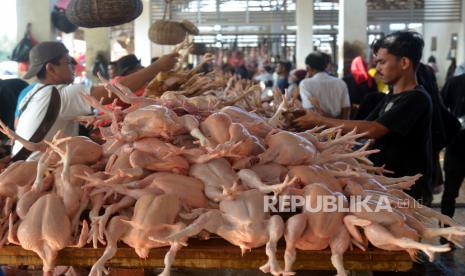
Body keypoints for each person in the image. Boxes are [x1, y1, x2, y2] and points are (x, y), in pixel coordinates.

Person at [294, 31, 433, 205]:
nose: (378, 68)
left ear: (404, 62)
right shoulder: (389, 97)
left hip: (409, 188)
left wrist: (319, 120)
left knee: (409, 230)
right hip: (386, 184)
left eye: (383, 62)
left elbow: (374, 129)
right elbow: (359, 129)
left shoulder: (416, 98)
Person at [12, 41, 178, 161]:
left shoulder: (32, 92)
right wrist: (158, 67)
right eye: (69, 62)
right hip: (39, 169)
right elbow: (114, 91)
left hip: (21, 165)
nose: (74, 67)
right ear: (51, 68)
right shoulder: (63, 94)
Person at [440, 73, 465, 219]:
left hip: (456, 147)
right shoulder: (456, 83)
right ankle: (446, 236)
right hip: (457, 148)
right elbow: (440, 110)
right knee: (450, 193)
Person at [299, 52, 351, 119]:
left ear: (308, 68)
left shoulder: (305, 84)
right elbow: (346, 109)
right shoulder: (340, 82)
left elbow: (310, 110)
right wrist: (342, 125)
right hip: (339, 126)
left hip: (316, 126)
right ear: (326, 65)